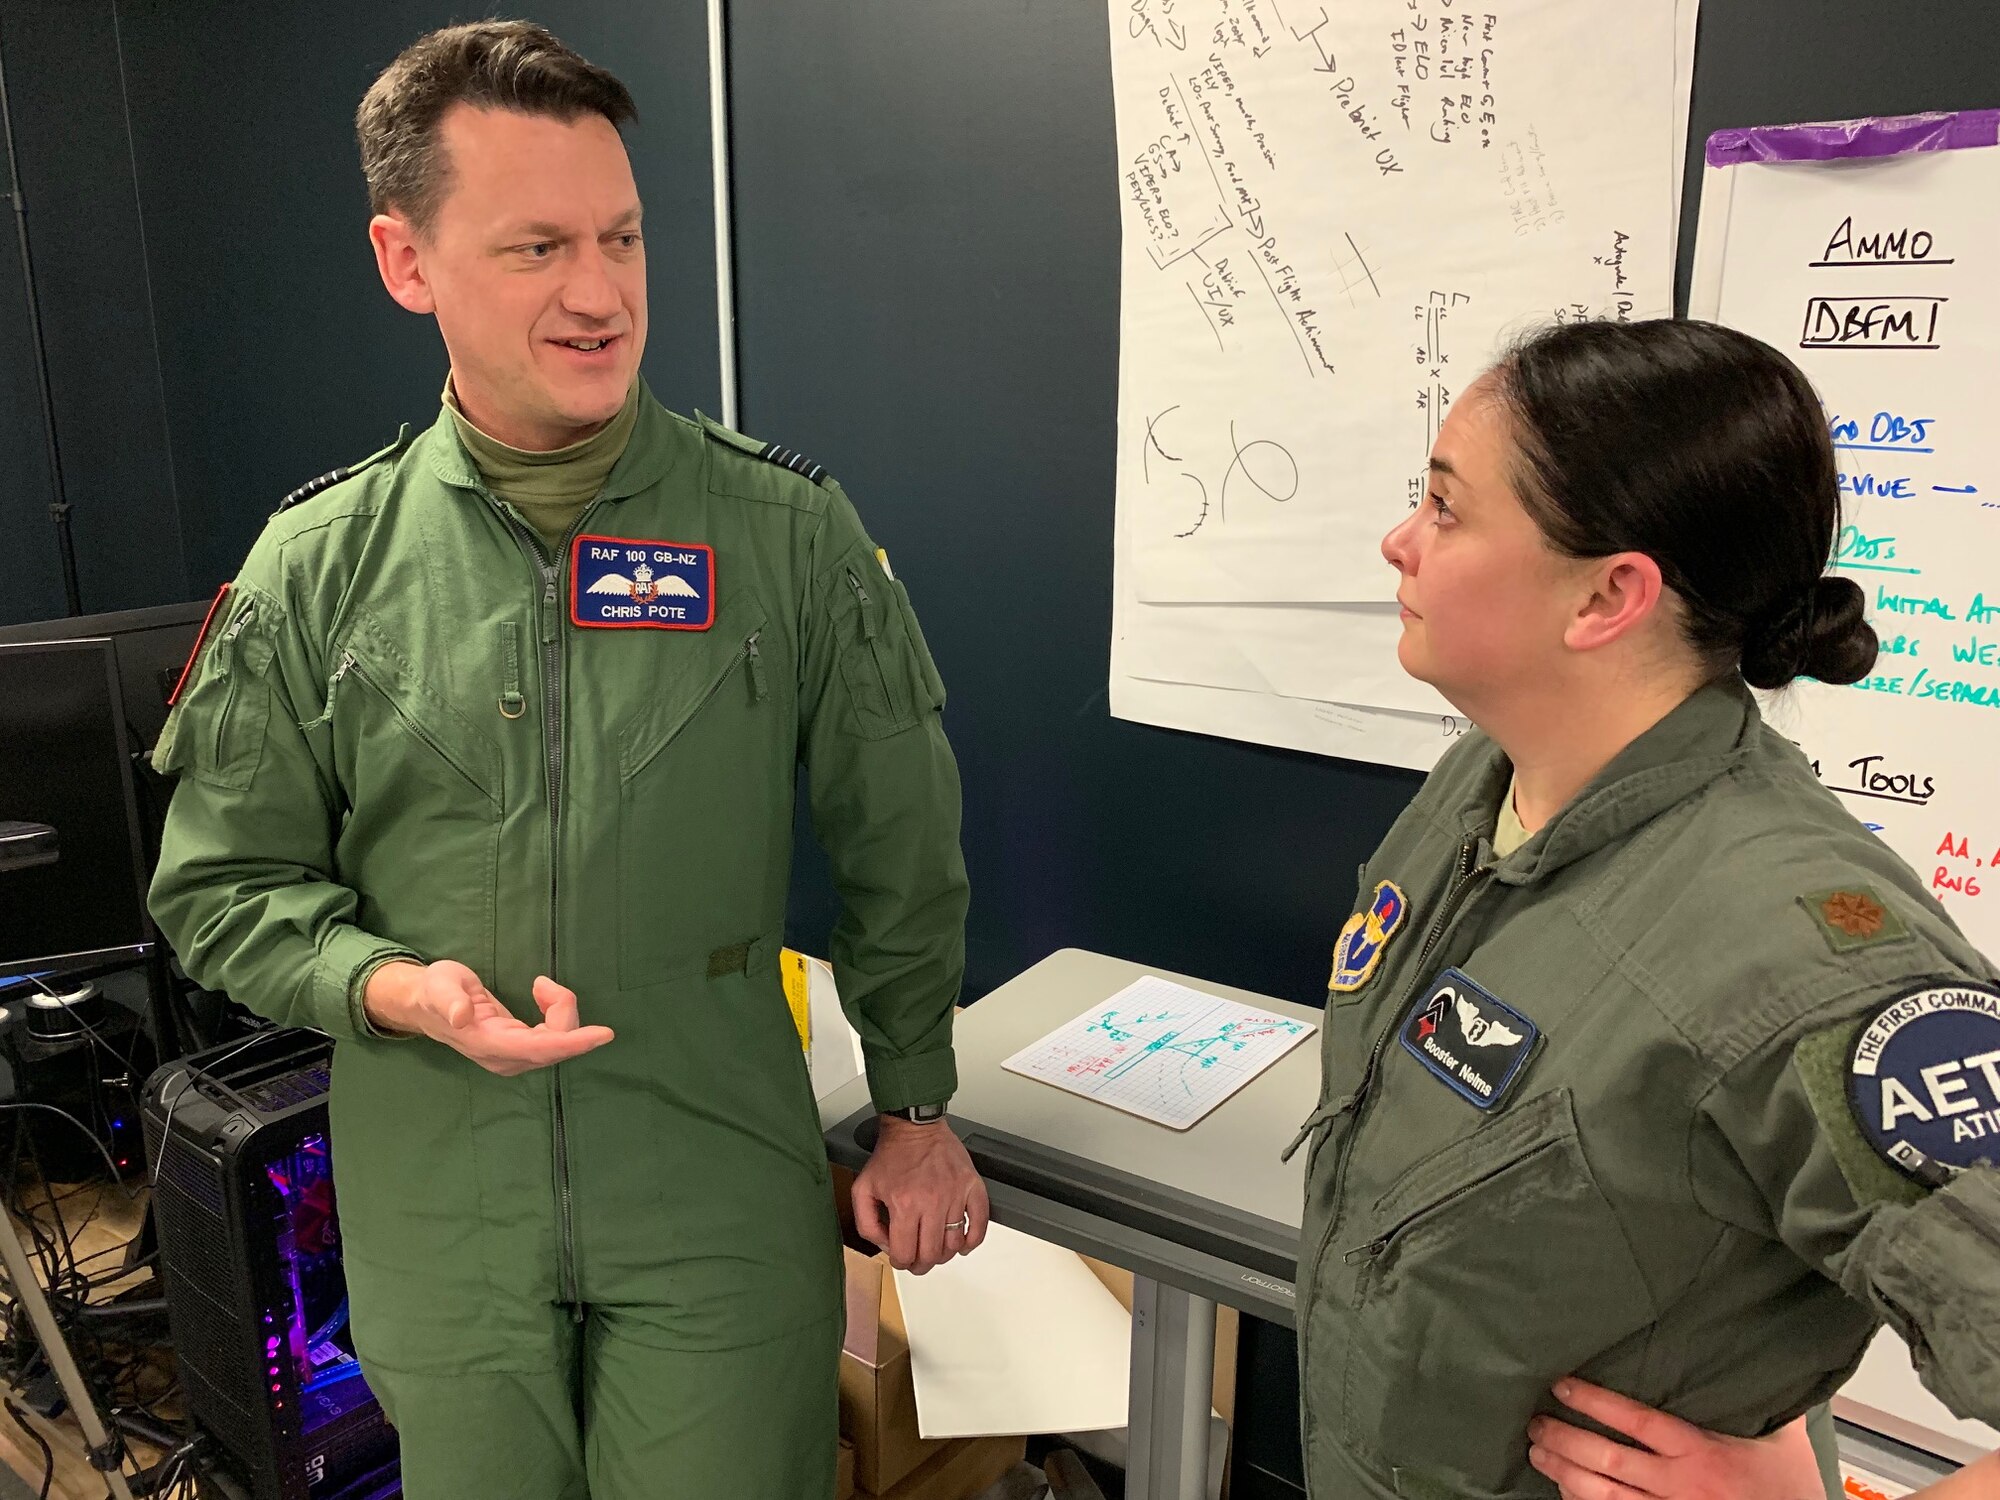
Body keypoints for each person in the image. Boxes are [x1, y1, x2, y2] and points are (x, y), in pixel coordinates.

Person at [147, 22, 987, 1499]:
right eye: (537, 248)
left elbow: (902, 845)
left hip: (711, 1181)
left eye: (622, 237)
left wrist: (918, 1111)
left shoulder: (786, 538)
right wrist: (392, 987)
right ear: (407, 264)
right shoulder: (317, 567)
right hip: (437, 1198)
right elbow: (221, 890)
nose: (600, 295)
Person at [1286, 318, 2000, 1500]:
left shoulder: (1801, 959)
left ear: (1606, 596)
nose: (1398, 542)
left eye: (1445, 508)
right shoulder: (1487, 779)